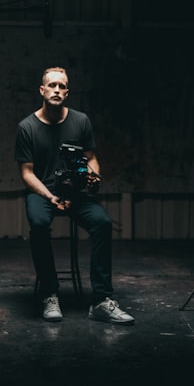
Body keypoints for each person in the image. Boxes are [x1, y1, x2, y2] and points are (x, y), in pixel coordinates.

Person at [15, 66, 135, 324]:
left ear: (67, 92)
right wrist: (50, 197)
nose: (57, 90)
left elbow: (92, 159)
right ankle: (49, 293)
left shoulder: (80, 121)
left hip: (76, 191)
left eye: (62, 86)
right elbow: (26, 173)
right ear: (42, 90)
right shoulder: (27, 127)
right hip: (43, 192)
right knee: (38, 223)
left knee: (102, 223)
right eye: (52, 85)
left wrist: (93, 178)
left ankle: (102, 301)